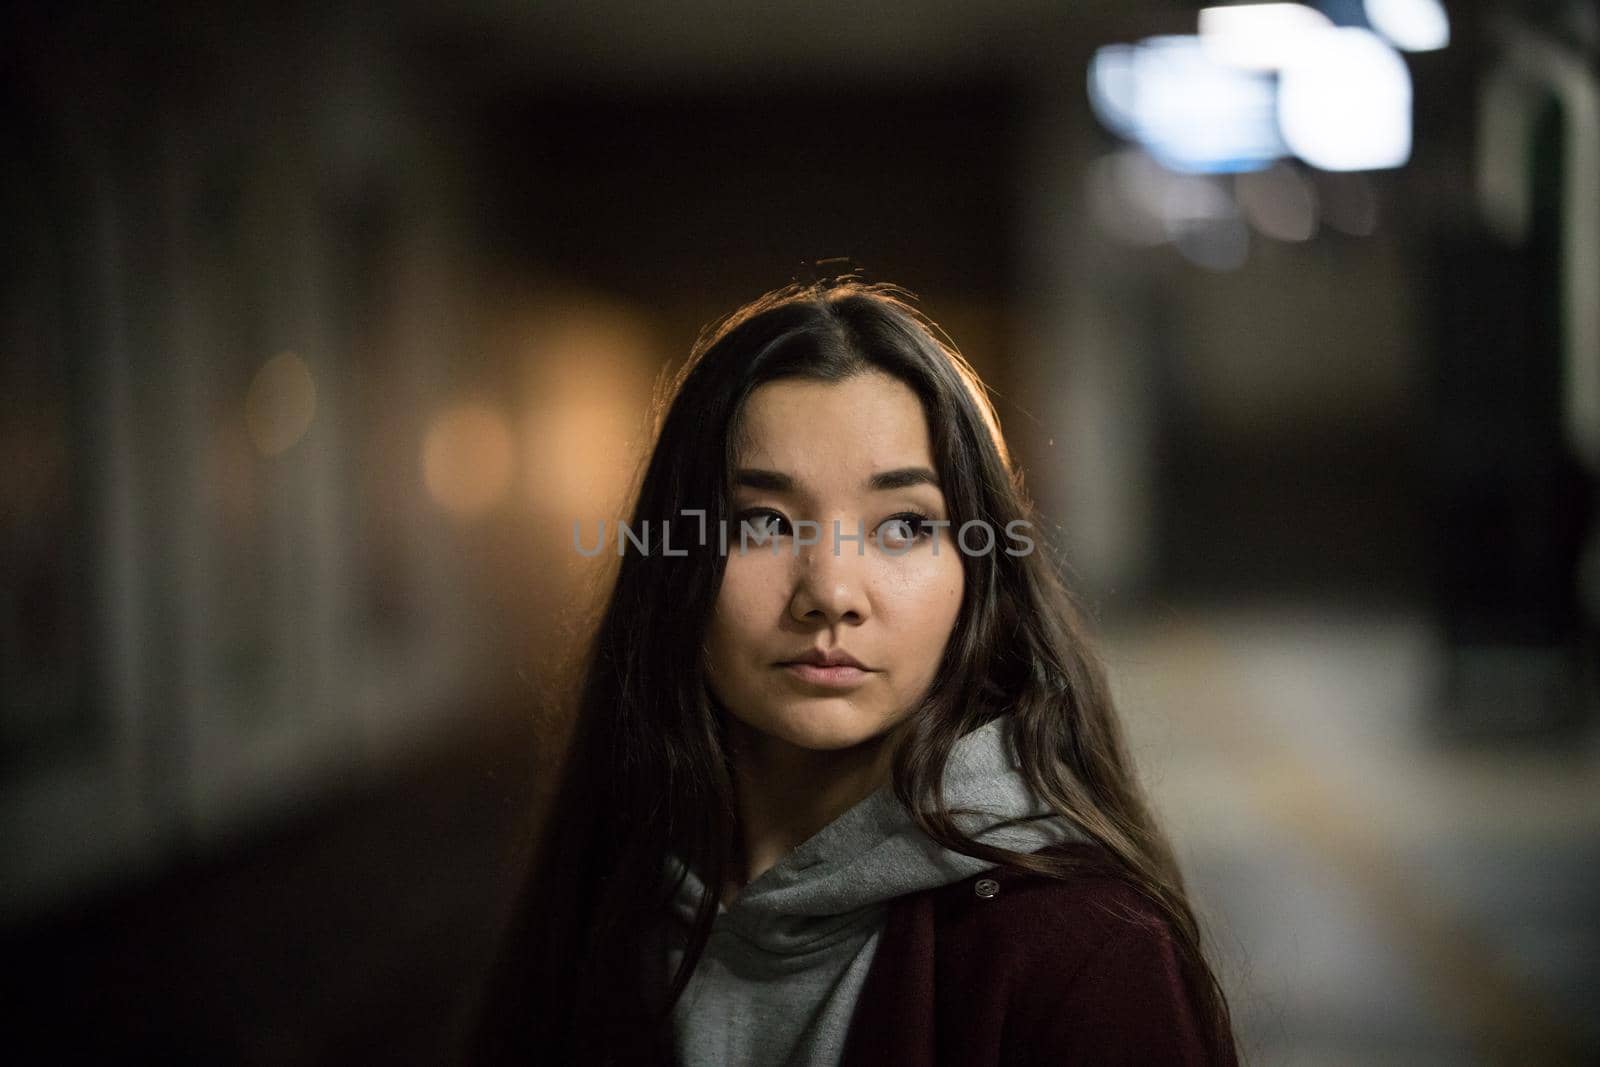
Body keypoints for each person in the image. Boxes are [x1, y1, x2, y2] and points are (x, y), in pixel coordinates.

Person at [469, 278, 1240, 1066]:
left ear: (979, 579)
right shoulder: (608, 894)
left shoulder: (1081, 953)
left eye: (905, 524)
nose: (831, 594)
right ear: (675, 567)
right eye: (762, 523)